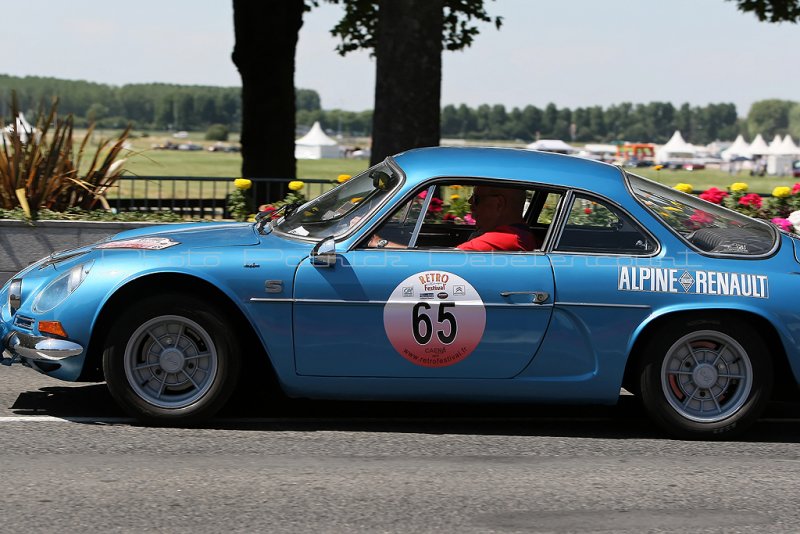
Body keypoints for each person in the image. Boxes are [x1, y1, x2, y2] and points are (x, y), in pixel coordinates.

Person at [368, 185, 538, 251]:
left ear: (499, 204)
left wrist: (379, 242)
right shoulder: (515, 234)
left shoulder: (502, 239)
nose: (470, 202)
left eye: (477, 198)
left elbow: (442, 262)